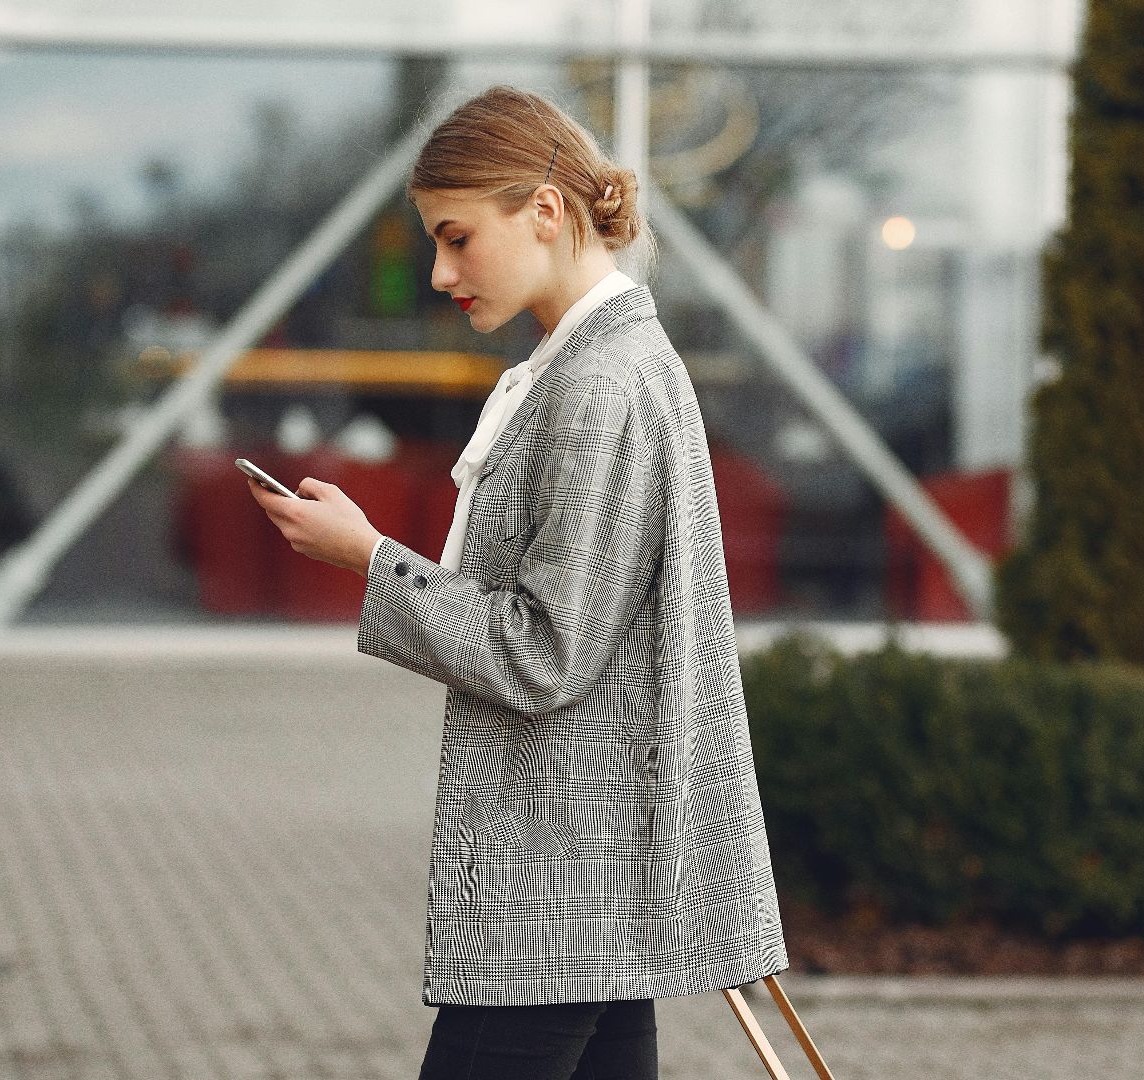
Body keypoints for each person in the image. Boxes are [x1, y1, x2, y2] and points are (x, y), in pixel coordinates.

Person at [246, 84, 787, 1080]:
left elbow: (544, 653)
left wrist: (368, 558)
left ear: (544, 210)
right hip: (589, 873)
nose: (444, 272)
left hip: (561, 877)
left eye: (456, 238)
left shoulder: (600, 383)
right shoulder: (593, 364)